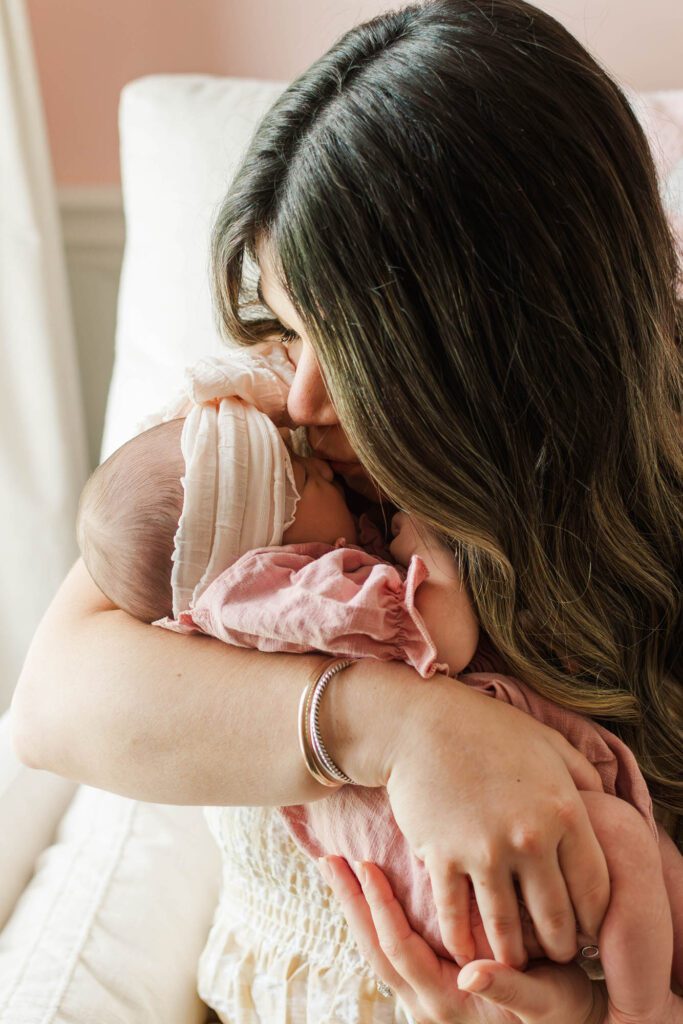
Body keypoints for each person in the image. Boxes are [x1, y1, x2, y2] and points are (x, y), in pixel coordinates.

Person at [11, 1, 681, 1021]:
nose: (306, 395)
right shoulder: (247, 450)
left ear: (505, 351)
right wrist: (403, 727)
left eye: (355, 347)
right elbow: (54, 702)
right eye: (288, 324)